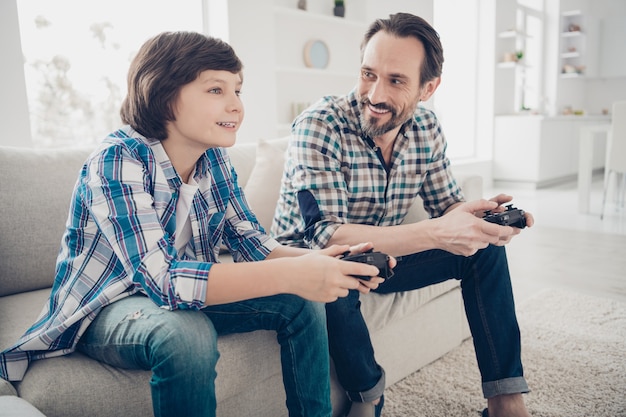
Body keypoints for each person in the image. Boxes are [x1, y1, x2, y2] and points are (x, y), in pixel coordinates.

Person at [0, 31, 388, 417]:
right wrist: (294, 272)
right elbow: (165, 281)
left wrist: (322, 262)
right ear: (163, 93)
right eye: (216, 90)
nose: (236, 105)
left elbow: (253, 244)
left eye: (238, 90)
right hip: (106, 306)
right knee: (186, 333)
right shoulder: (117, 160)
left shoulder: (214, 161)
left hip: (181, 292)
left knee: (303, 300)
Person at [271, 13, 535, 417]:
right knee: (339, 264)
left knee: (484, 250)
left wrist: (476, 220)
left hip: (384, 258)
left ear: (428, 88)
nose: (374, 93)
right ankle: (369, 395)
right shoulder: (318, 126)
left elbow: (445, 204)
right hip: (314, 264)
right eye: (367, 74)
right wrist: (437, 232)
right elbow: (327, 236)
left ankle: (505, 401)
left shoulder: (426, 128)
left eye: (395, 81)